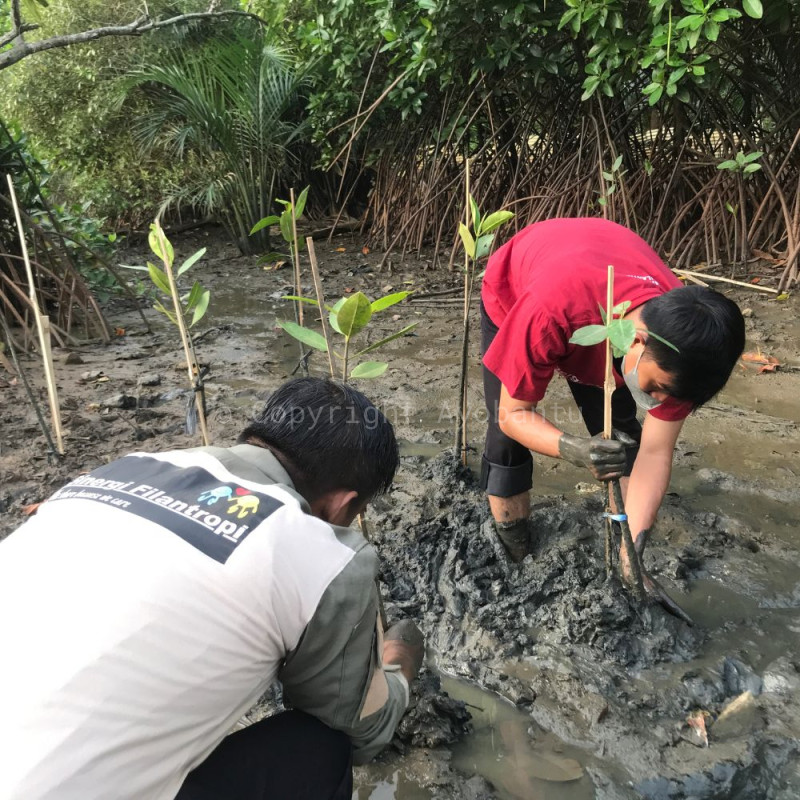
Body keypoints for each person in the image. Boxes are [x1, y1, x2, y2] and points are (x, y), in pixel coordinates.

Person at [0, 377, 424, 800]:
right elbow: (360, 731)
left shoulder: (122, 468)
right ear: (342, 504)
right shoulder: (325, 555)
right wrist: (399, 669)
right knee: (321, 751)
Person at [480, 217, 745, 568]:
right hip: (522, 291)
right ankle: (515, 548)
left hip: (603, 297)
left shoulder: (690, 347)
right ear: (637, 341)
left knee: (622, 438)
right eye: (658, 388)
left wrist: (631, 562)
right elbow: (513, 415)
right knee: (505, 442)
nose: (659, 402)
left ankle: (624, 548)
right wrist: (572, 448)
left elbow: (655, 452)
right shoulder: (548, 312)